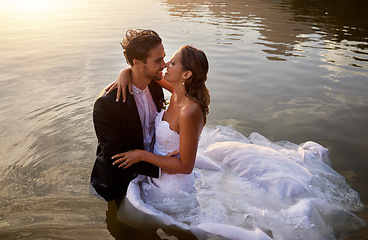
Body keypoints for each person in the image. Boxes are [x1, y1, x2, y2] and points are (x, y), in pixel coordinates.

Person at [90, 29, 167, 202]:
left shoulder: (155, 84)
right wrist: (164, 167)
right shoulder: (107, 104)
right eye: (158, 60)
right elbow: (115, 158)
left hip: (153, 173)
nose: (164, 65)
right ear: (138, 63)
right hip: (120, 184)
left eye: (163, 57)